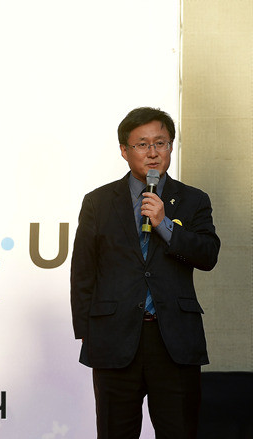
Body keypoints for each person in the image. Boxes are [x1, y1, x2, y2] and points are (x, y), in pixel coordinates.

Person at [70, 107, 220, 439]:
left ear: (170, 147)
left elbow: (208, 255)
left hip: (174, 340)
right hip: (114, 338)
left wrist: (165, 225)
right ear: (124, 151)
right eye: (142, 144)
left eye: (160, 143)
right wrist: (87, 332)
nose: (152, 152)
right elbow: (83, 271)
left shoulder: (193, 200)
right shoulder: (98, 202)